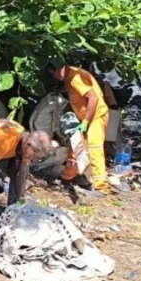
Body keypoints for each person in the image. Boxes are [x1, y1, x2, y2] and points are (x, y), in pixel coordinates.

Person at [48, 61, 110, 193]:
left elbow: (93, 98)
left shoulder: (76, 78)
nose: (55, 76)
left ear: (60, 68)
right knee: (76, 147)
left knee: (94, 148)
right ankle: (68, 177)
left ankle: (101, 186)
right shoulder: (69, 76)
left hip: (96, 117)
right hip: (85, 118)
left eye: (55, 73)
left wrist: (86, 121)